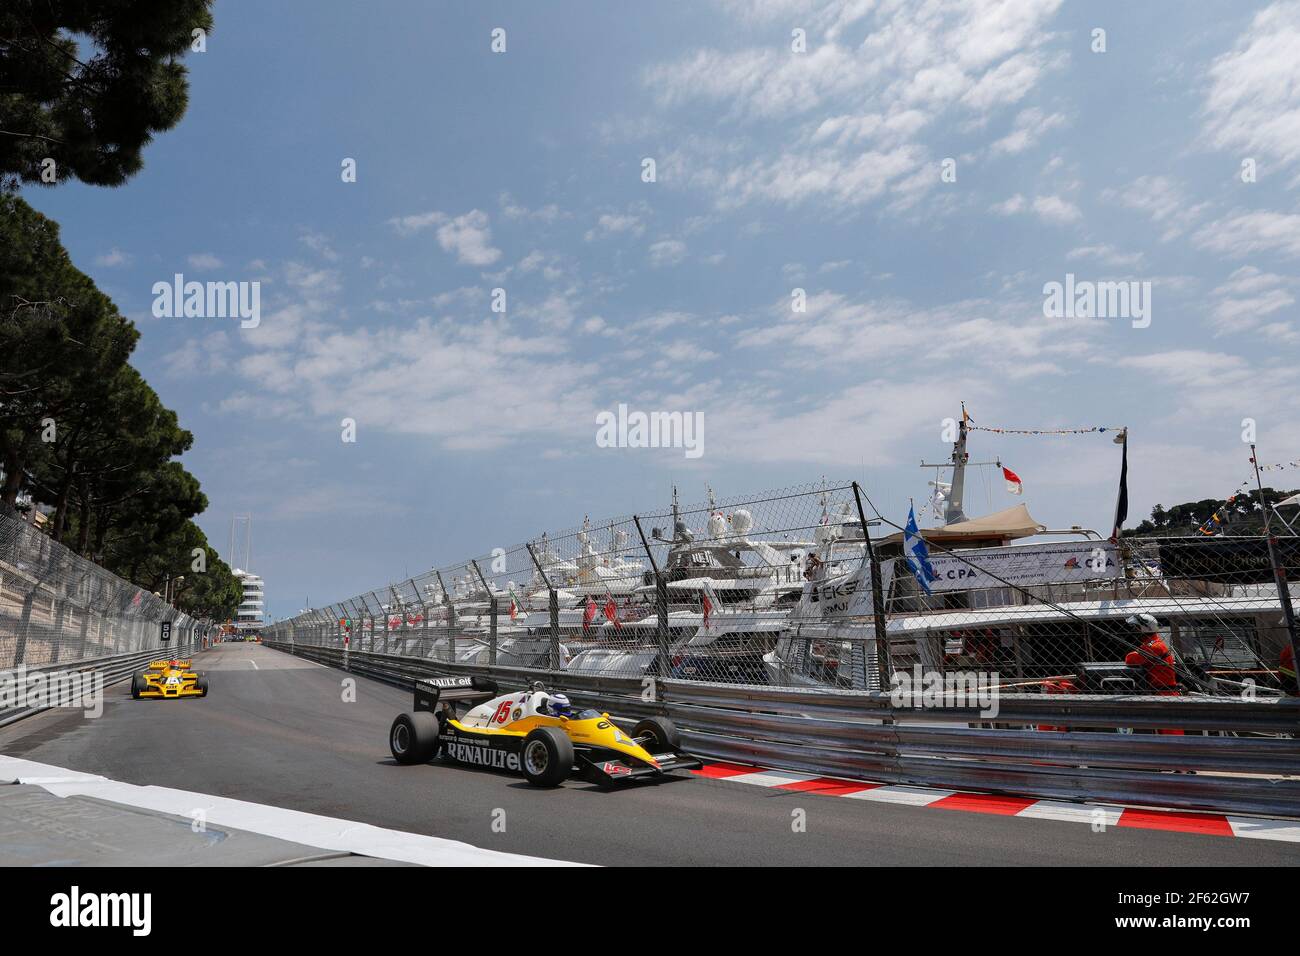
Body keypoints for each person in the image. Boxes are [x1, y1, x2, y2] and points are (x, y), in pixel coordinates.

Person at [1123, 612, 1182, 735]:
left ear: (1144, 629)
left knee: (1171, 736)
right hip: (1160, 694)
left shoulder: (1155, 647)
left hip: (1165, 695)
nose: (1134, 631)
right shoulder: (1153, 644)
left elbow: (1130, 659)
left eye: (1136, 628)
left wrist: (1138, 651)